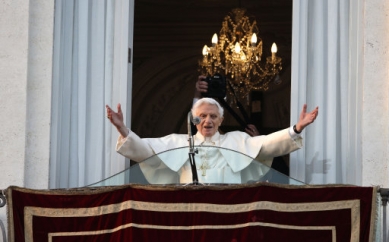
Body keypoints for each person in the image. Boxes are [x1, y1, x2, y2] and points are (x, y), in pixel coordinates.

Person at [106, 97, 318, 184]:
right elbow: (146, 150)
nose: (208, 120)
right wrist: (123, 129)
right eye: (202, 116)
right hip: (189, 211)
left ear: (221, 120)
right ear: (193, 119)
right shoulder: (178, 142)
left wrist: (296, 128)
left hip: (230, 209)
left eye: (213, 116)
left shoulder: (236, 140)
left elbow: (266, 145)